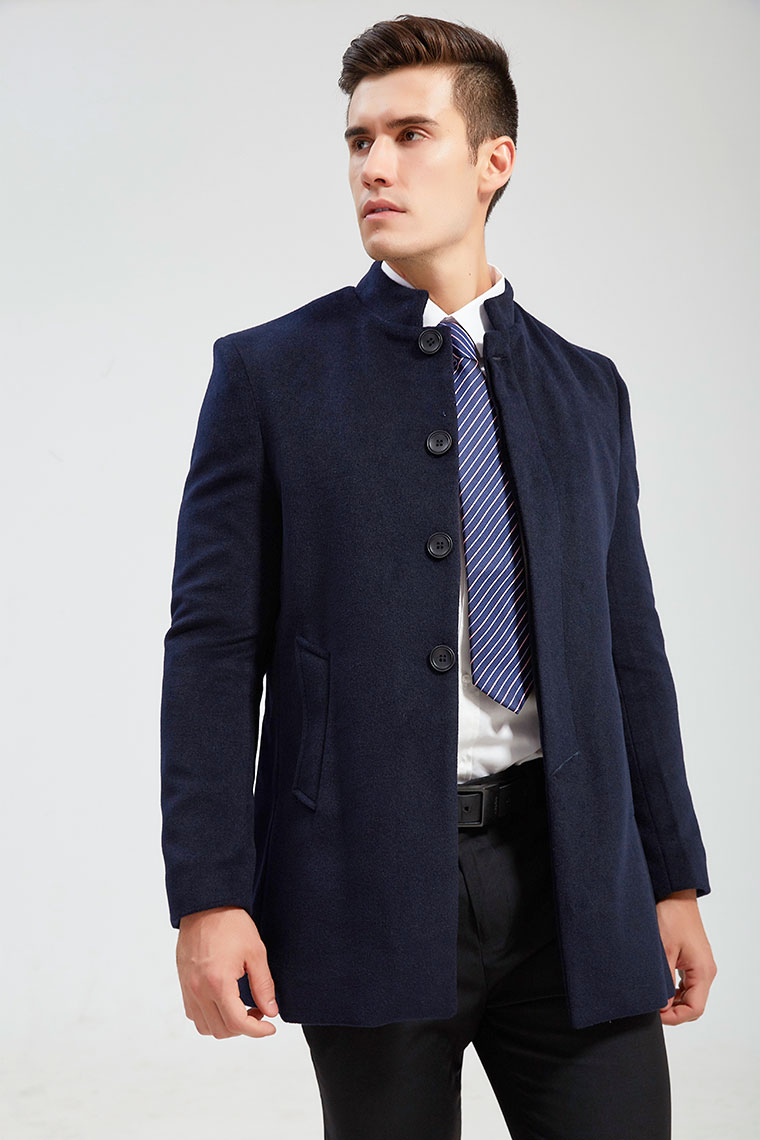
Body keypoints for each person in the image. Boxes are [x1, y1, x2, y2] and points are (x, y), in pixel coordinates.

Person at [160, 14, 717, 1139]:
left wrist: (671, 878)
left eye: (411, 134)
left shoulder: (587, 389)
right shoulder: (270, 375)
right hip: (362, 882)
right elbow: (214, 649)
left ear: (493, 160)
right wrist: (210, 897)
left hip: (574, 885)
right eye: (359, 139)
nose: (374, 164)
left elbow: (629, 648)